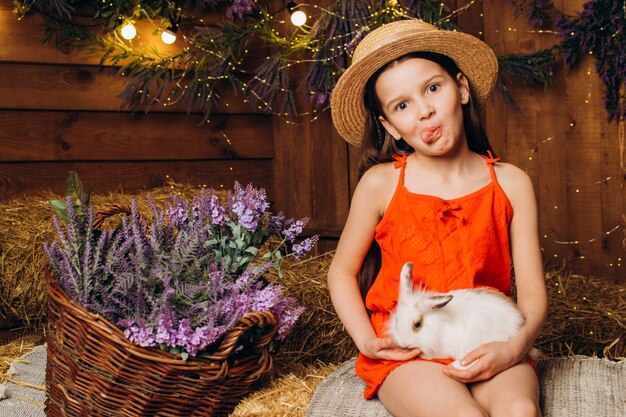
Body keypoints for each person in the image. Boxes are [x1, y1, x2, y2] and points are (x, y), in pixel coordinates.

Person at [327, 19, 548, 417]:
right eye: (402, 105)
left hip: (485, 338)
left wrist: (512, 348)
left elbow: (532, 294)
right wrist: (366, 340)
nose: (425, 111)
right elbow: (341, 272)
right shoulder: (381, 185)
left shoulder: (512, 184)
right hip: (410, 352)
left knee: (520, 411)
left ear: (461, 89)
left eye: (433, 88)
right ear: (390, 126)